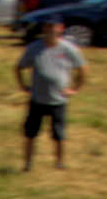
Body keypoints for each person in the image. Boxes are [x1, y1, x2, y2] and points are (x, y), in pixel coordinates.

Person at [14, 19, 86, 170]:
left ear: (60, 28)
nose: (50, 30)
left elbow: (82, 69)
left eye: (53, 26)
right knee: (30, 133)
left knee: (59, 135)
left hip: (58, 100)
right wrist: (23, 86)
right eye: (47, 26)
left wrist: (74, 89)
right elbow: (19, 67)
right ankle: (27, 164)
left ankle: (59, 163)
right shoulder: (35, 48)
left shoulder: (68, 49)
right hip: (37, 100)